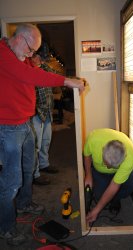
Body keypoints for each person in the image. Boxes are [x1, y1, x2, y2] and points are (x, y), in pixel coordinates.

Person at [0, 23, 84, 246]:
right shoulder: (2, 54)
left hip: (24, 123)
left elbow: (33, 71)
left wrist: (33, 61)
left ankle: (25, 203)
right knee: (10, 182)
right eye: (30, 49)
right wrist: (67, 81)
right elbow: (29, 76)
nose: (31, 54)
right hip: (8, 127)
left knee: (29, 167)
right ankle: (6, 228)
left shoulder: (21, 54)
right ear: (19, 38)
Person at [83, 128, 133, 224]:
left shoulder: (130, 157)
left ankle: (116, 198)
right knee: (99, 196)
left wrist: (96, 210)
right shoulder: (93, 140)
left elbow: (115, 184)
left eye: (111, 166)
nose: (108, 167)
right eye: (106, 163)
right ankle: (108, 195)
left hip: (118, 172)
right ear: (103, 150)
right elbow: (87, 155)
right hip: (99, 172)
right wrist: (88, 174)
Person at [30, 51, 59, 185]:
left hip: (47, 111)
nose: (39, 60)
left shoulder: (43, 68)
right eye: (37, 57)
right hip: (36, 113)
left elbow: (55, 74)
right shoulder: (27, 70)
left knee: (46, 140)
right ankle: (35, 175)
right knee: (36, 145)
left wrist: (43, 63)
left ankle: (44, 164)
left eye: (41, 58)